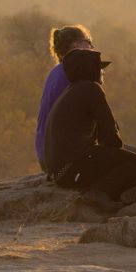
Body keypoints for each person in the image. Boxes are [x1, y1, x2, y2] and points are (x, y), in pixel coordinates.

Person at [44, 49, 136, 211]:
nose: (103, 72)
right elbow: (112, 137)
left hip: (61, 172)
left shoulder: (71, 91)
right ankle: (99, 195)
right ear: (90, 70)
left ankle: (118, 192)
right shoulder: (92, 89)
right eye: (100, 68)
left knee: (132, 158)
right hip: (73, 169)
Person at [35, 25, 94, 172]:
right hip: (61, 158)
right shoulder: (74, 75)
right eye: (88, 41)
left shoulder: (55, 72)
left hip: (45, 155)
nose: (92, 47)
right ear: (76, 45)